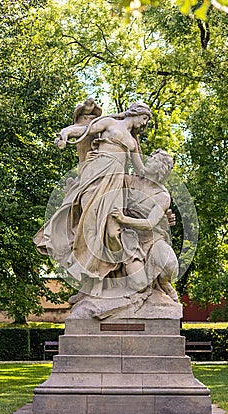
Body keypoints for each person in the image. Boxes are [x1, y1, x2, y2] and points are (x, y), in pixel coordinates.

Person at [34, 101, 152, 297]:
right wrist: (65, 133)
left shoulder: (132, 143)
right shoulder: (109, 123)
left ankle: (103, 280)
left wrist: (160, 168)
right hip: (95, 175)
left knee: (110, 231)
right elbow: (84, 130)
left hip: (114, 186)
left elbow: (142, 171)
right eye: (145, 118)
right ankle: (91, 285)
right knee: (89, 227)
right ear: (137, 113)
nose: (144, 124)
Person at [111, 149, 178, 299]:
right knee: (140, 285)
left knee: (170, 264)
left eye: (153, 159)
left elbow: (150, 223)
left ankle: (164, 283)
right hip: (131, 238)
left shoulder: (162, 196)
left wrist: (123, 219)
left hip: (153, 239)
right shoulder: (132, 179)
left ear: (160, 167)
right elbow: (132, 147)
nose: (148, 159)